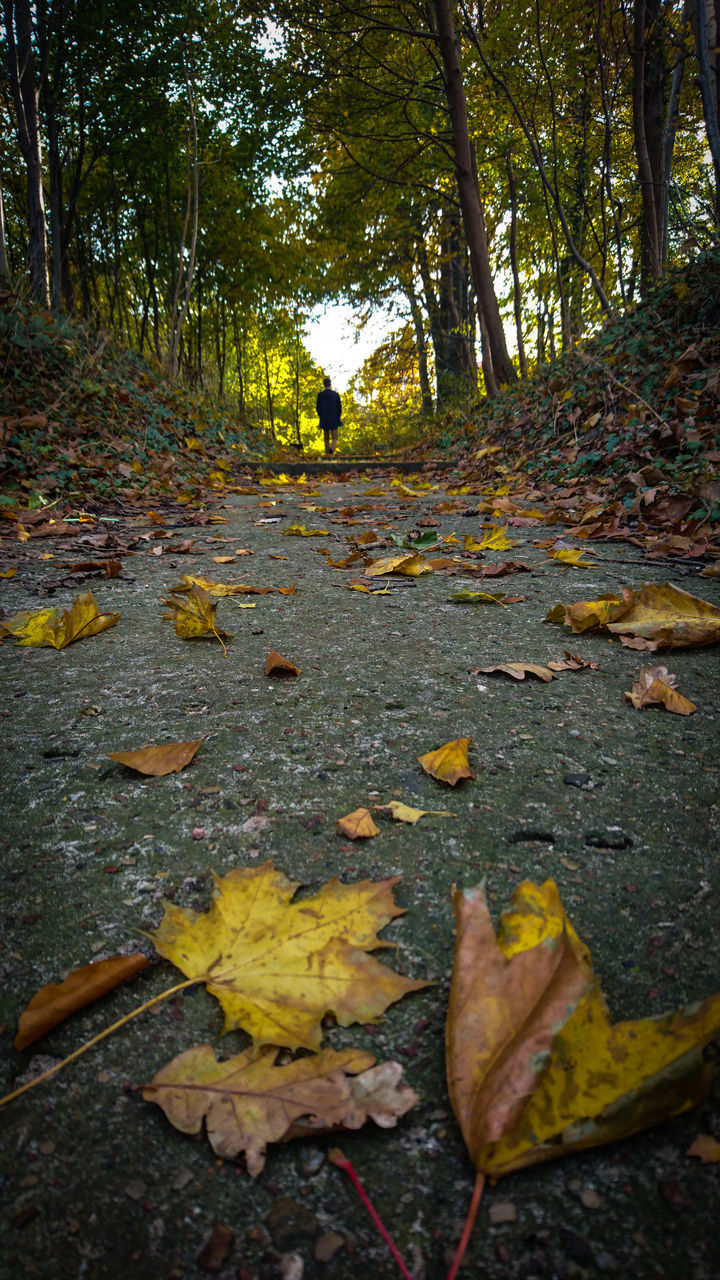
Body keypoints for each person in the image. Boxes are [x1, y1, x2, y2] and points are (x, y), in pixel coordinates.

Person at [316, 375, 342, 456]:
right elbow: (339, 407)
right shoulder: (335, 395)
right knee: (335, 437)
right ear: (330, 384)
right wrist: (338, 416)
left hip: (324, 418)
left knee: (326, 438)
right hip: (334, 418)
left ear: (324, 384)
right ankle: (332, 448)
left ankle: (327, 454)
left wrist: (321, 416)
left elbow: (317, 408)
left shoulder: (320, 395)